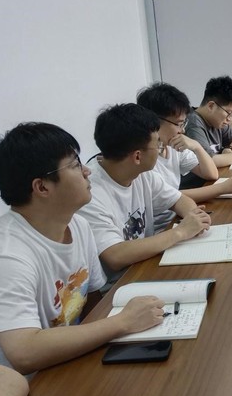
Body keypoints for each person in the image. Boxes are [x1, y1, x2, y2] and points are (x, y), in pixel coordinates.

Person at [0, 123, 165, 374]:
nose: (87, 171)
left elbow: (91, 300)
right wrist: (123, 322)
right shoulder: (5, 254)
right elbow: (24, 352)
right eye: (75, 165)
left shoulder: (78, 224)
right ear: (42, 187)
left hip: (73, 361)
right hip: (29, 382)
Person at [78, 104, 212, 284]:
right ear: (137, 156)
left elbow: (180, 200)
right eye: (157, 144)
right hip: (120, 285)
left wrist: (193, 218)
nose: (161, 147)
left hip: (145, 265)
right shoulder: (89, 193)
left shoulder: (142, 173)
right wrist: (181, 232)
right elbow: (115, 256)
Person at [136, 82, 232, 232]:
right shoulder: (144, 160)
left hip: (178, 219)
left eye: (184, 124)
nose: (182, 131)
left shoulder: (173, 146)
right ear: (155, 122)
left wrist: (196, 146)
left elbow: (211, 174)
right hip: (161, 230)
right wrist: (223, 188)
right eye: (179, 124)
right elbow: (173, 196)